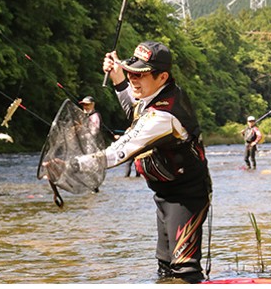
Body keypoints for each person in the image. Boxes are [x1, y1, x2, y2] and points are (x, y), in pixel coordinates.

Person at [59, 41, 212, 283]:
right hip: (164, 194)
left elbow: (119, 151)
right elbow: (134, 107)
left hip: (187, 197)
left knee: (184, 270)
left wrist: (71, 164)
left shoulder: (163, 115)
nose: (133, 80)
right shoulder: (154, 94)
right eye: (131, 72)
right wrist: (118, 75)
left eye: (140, 75)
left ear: (162, 76)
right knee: (165, 267)